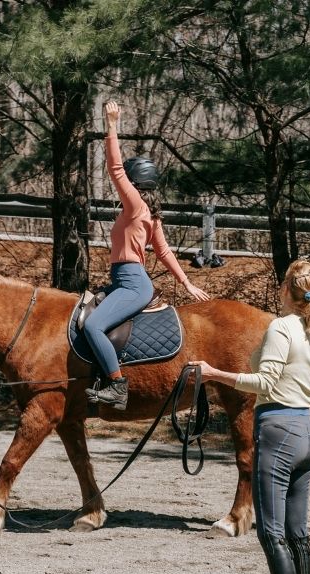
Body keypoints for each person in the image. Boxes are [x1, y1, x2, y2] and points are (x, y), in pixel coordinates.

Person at [190, 260, 310, 574]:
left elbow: (265, 382)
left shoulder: (281, 328)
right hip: (306, 436)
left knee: (271, 531)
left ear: (285, 291)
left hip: (278, 432)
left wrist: (214, 373)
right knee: (297, 531)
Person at [85, 101, 211, 411]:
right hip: (125, 280)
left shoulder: (134, 205)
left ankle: (117, 386)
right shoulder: (149, 213)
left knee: (92, 327)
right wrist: (186, 283)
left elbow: (114, 169)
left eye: (128, 181)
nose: (122, 185)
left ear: (135, 183)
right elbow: (164, 251)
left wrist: (112, 124)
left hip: (131, 282)